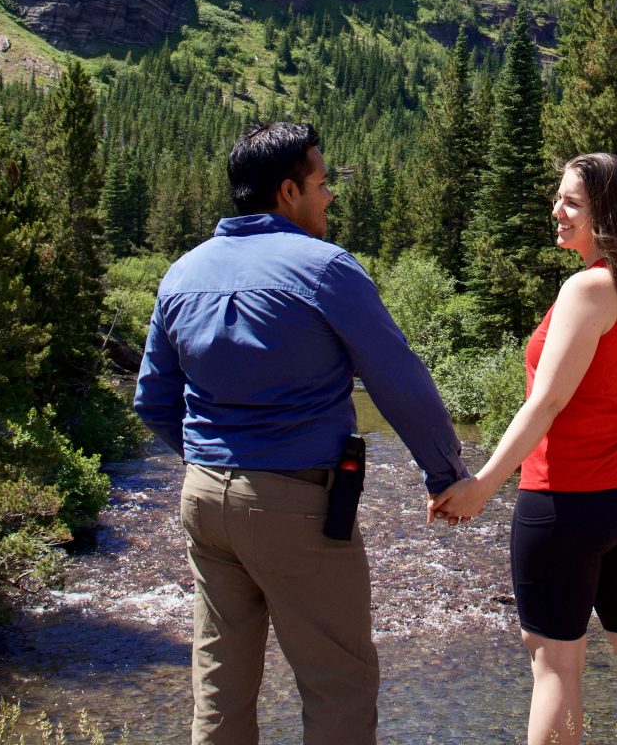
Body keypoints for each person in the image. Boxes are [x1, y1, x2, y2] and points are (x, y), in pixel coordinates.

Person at [135, 121, 469, 745]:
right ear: (288, 192)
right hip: (296, 505)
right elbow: (399, 381)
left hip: (203, 499)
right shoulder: (325, 269)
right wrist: (447, 474)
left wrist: (211, 458)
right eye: (322, 183)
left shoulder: (180, 274)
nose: (330, 195)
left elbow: (153, 399)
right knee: (336, 685)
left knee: (220, 685)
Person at [430, 152, 617, 745]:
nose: (557, 210)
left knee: (555, 664)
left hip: (568, 502)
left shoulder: (586, 288)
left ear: (606, 213)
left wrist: (482, 485)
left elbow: (545, 403)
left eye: (572, 203)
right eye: (558, 198)